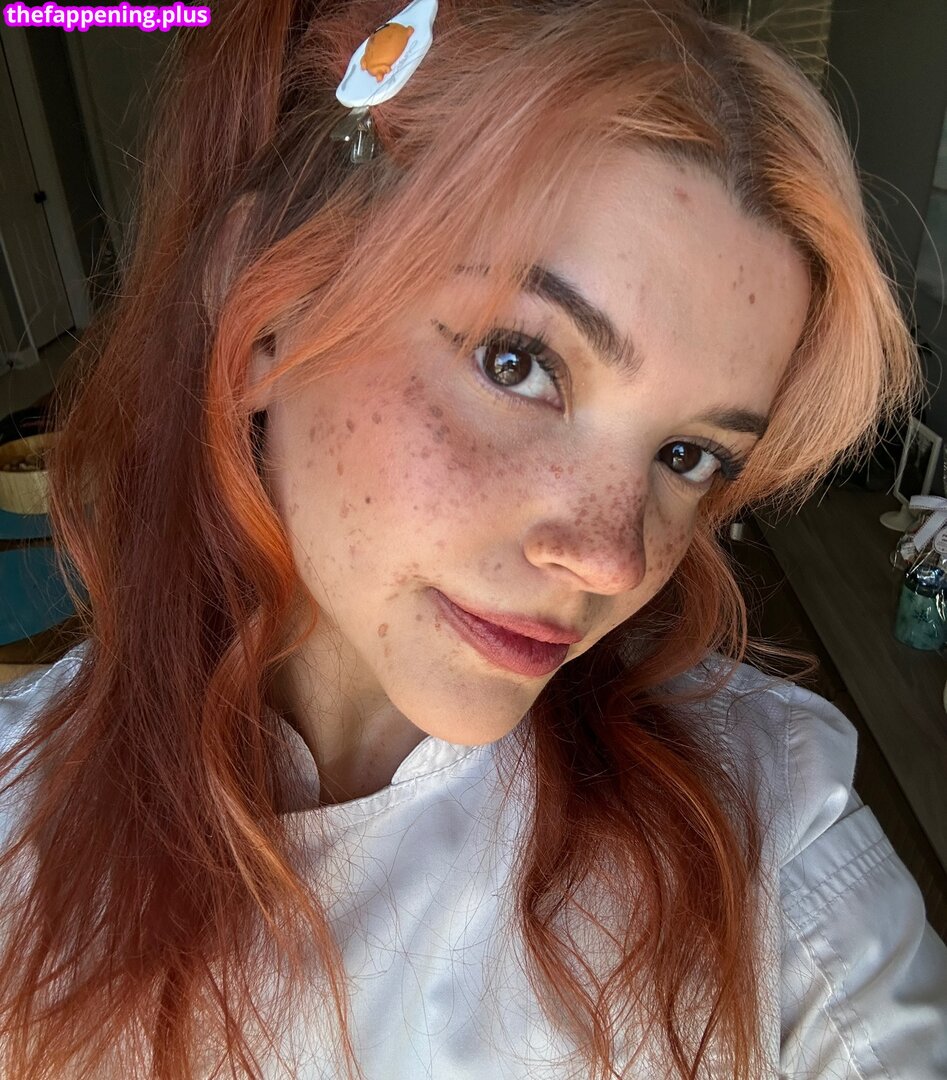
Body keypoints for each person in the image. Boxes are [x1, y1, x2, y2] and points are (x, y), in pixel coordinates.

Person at [1, 0, 945, 1076]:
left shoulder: (766, 828)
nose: (609, 559)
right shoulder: (17, 816)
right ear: (264, 315)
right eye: (518, 363)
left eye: (688, 455)